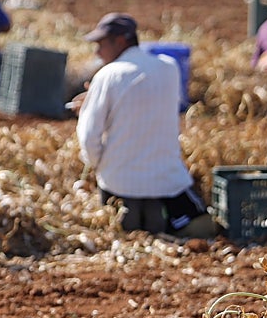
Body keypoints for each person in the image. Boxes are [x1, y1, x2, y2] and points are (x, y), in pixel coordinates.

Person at [75, 12, 216, 238]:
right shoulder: (170, 68)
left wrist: (98, 165)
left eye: (101, 44)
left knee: (124, 230)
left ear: (120, 41)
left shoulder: (107, 75)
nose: (97, 51)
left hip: (118, 184)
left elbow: (89, 134)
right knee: (198, 229)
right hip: (166, 184)